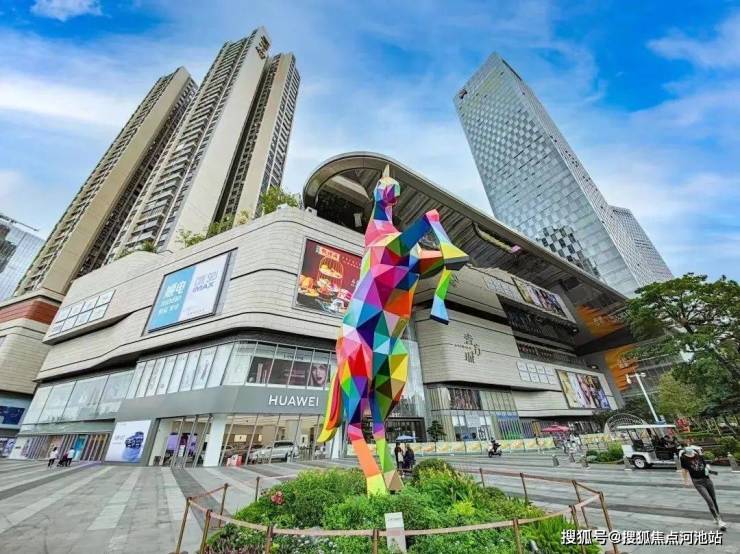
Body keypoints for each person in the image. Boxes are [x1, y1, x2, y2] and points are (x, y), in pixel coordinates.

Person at [680, 445, 726, 530]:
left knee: (713, 499)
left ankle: (716, 517)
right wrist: (685, 481)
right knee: (709, 500)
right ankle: (719, 520)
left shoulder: (698, 455)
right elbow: (684, 470)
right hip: (698, 482)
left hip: (707, 480)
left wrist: (708, 468)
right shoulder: (683, 458)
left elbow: (705, 465)